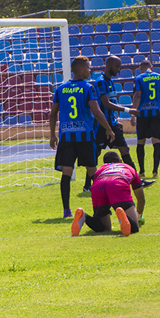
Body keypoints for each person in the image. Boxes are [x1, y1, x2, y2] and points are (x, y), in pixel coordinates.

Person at [50, 55, 114, 218]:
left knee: (66, 173)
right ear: (80, 69)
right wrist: (108, 129)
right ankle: (103, 209)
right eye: (87, 67)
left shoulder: (60, 89)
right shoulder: (88, 88)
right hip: (84, 137)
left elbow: (52, 114)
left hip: (66, 137)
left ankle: (66, 211)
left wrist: (52, 135)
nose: (89, 70)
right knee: (93, 173)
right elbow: (97, 112)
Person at [84, 55, 141, 192]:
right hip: (101, 125)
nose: (119, 69)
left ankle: (136, 181)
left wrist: (117, 120)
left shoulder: (110, 82)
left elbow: (112, 103)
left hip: (112, 122)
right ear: (109, 66)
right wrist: (129, 110)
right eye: (117, 66)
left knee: (124, 150)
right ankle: (88, 185)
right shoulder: (101, 82)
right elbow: (106, 104)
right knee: (95, 153)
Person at [71, 151, 145, 237]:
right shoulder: (128, 167)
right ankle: (123, 217)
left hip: (98, 186)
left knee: (105, 228)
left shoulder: (102, 168)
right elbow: (141, 198)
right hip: (118, 183)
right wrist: (139, 215)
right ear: (120, 160)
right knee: (134, 228)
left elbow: (96, 180)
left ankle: (84, 216)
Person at [131, 60, 160, 178]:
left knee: (141, 141)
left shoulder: (139, 78)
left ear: (140, 68)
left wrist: (133, 114)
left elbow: (137, 95)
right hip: (156, 113)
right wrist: (159, 98)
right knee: (156, 141)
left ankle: (142, 171)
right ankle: (155, 172)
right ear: (151, 67)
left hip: (143, 114)